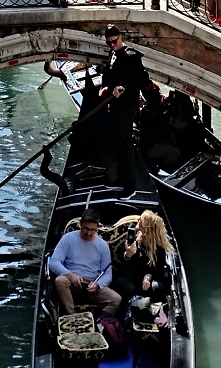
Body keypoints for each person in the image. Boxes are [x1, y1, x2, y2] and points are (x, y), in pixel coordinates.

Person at [100, 25, 149, 196]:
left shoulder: (132, 57)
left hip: (127, 106)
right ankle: (122, 179)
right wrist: (109, 87)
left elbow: (143, 79)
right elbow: (111, 76)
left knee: (126, 144)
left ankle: (130, 187)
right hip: (115, 105)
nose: (112, 46)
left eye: (114, 42)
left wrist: (125, 88)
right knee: (119, 143)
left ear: (120, 37)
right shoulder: (113, 54)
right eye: (109, 43)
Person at [48, 207, 121, 316]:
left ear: (97, 228)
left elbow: (107, 273)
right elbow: (53, 262)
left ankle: (101, 323)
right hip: (72, 283)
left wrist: (98, 284)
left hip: (92, 285)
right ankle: (73, 316)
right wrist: (69, 274)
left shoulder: (102, 245)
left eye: (92, 230)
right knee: (60, 280)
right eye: (86, 229)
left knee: (116, 299)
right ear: (80, 224)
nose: (88, 233)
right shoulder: (68, 238)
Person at [116, 209, 173, 303]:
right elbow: (122, 262)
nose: (137, 221)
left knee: (157, 287)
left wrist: (147, 278)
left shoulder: (159, 248)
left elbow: (157, 269)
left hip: (147, 280)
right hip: (130, 276)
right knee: (129, 287)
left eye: (140, 220)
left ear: (147, 227)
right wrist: (128, 255)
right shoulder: (133, 237)